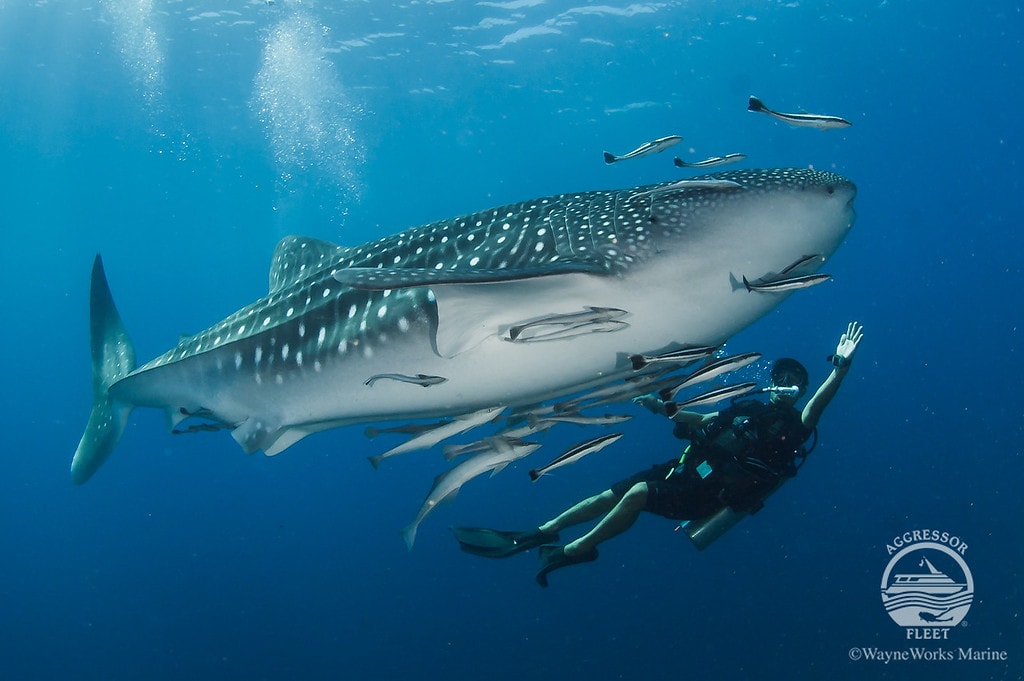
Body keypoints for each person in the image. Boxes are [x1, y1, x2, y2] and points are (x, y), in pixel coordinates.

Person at [453, 321, 864, 587]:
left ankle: (577, 550)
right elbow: (703, 420)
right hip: (684, 470)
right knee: (608, 495)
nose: (787, 384)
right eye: (782, 378)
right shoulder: (747, 405)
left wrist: (840, 369)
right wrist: (660, 405)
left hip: (709, 495)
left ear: (802, 390)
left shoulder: (797, 425)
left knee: (637, 496)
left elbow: (819, 406)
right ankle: (542, 531)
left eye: (796, 381)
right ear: (772, 382)